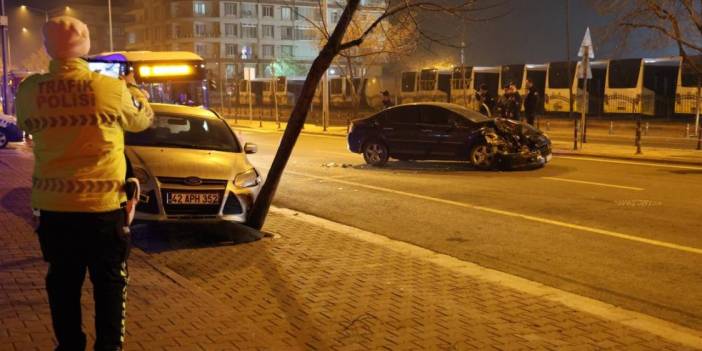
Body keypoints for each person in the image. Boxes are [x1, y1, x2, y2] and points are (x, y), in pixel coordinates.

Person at [15, 16, 153, 351]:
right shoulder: (110, 88)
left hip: (54, 209)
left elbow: (25, 122)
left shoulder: (30, 90)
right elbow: (143, 120)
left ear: (48, 48)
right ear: (86, 45)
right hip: (103, 210)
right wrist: (133, 87)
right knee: (109, 283)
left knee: (62, 283)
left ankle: (70, 346)